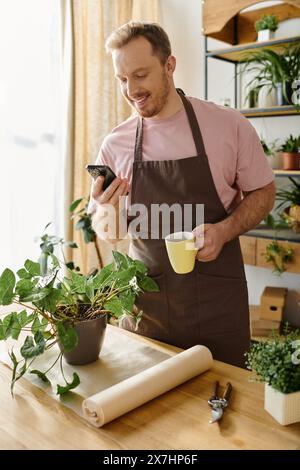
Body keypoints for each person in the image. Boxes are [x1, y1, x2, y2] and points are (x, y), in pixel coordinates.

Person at [88, 22, 275, 368]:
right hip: (148, 313)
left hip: (219, 308)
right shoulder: (115, 144)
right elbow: (110, 231)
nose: (131, 90)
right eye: (122, 80)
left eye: (141, 75)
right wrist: (107, 211)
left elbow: (264, 191)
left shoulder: (228, 126)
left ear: (169, 65)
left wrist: (224, 231)